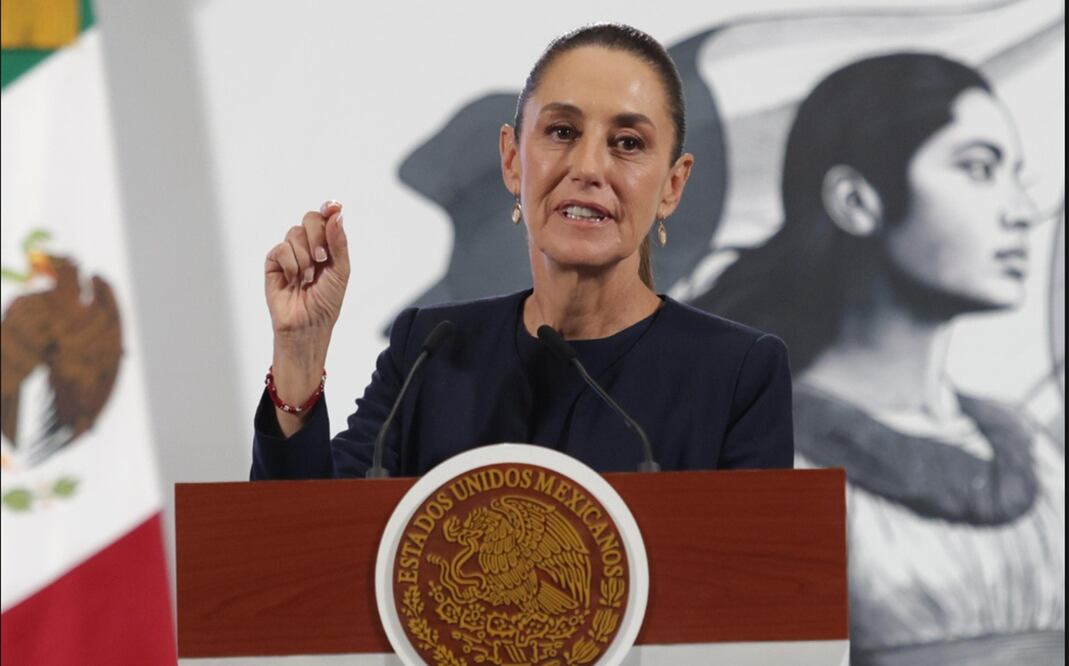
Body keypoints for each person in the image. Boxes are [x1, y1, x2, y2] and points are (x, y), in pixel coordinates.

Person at [251, 24, 794, 480]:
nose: (588, 168)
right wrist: (299, 351)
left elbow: (759, 587)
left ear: (672, 186)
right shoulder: (431, 354)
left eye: (628, 143)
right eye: (561, 131)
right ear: (512, 160)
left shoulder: (738, 373)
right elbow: (303, 549)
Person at [694, 53, 1064, 664]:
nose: (1022, 212)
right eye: (978, 169)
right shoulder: (755, 456)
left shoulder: (1038, 456)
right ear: (856, 200)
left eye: (1015, 175)